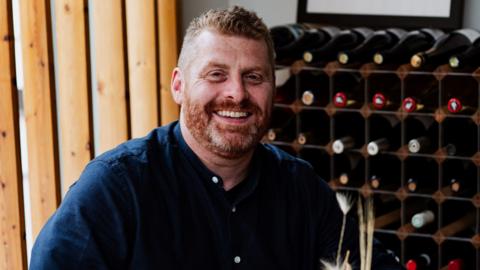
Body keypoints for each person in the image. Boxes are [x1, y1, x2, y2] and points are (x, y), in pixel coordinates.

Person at [30, 6, 401, 270]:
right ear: (179, 85)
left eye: (254, 77)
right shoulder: (117, 187)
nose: (237, 94)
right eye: (216, 74)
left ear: (272, 88)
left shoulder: (300, 189)